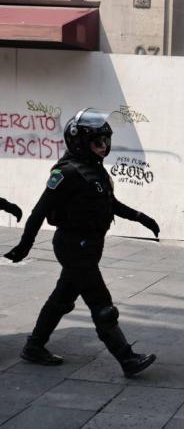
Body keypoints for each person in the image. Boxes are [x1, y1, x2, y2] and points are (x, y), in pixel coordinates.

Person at [4, 108, 159, 377]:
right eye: (98, 142)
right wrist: (24, 246)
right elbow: (39, 211)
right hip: (74, 245)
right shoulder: (66, 172)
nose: (103, 147)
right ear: (79, 141)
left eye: (106, 141)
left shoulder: (94, 170)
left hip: (89, 244)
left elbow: (110, 203)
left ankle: (34, 347)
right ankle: (126, 359)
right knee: (102, 305)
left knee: (61, 299)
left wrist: (141, 217)